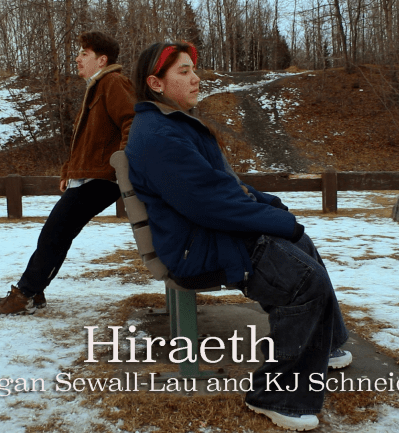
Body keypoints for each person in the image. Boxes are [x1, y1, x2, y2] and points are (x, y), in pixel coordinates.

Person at [124, 41, 351, 431]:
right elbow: (210, 203)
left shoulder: (170, 124)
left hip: (206, 232)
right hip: (197, 247)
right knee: (302, 280)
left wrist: (272, 207)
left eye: (194, 69)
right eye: (183, 72)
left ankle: (324, 346)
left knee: (301, 247)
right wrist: (279, 221)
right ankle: (274, 395)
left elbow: (222, 188)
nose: (196, 78)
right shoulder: (160, 135)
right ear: (156, 84)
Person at [0, 31, 135, 317]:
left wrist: (124, 161)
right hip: (89, 175)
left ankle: (26, 294)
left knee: (54, 233)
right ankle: (34, 291)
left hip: (102, 177)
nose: (77, 58)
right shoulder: (97, 86)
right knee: (56, 234)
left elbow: (132, 119)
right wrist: (69, 170)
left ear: (102, 60)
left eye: (84, 54)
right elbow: (84, 139)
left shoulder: (113, 82)